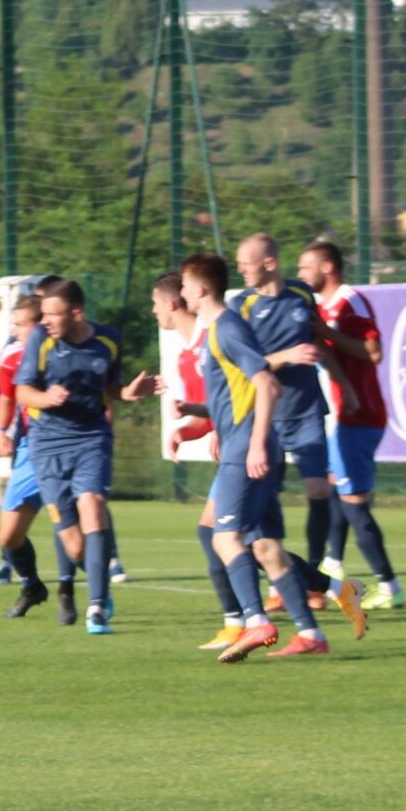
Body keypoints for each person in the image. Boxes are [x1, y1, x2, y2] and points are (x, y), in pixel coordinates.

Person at [180, 252, 329, 661]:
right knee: (266, 547)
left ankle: (255, 621)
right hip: (248, 444)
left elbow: (267, 384)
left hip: (246, 449)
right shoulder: (219, 329)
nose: (181, 293)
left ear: (201, 288)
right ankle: (310, 633)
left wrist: (258, 443)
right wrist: (192, 412)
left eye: (185, 286)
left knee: (224, 538)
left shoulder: (226, 328)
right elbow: (238, 394)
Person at [234, 233, 367, 641]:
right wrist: (286, 357)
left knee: (318, 490)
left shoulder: (301, 295)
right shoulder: (241, 306)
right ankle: (284, 580)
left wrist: (345, 385)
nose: (241, 270)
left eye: (246, 263)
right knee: (263, 509)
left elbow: (320, 345)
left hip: (306, 409)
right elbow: (244, 365)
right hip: (266, 416)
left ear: (269, 263)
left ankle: (314, 575)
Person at [12, 278, 125, 635]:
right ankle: (100, 584)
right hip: (47, 447)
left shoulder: (108, 340)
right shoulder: (41, 340)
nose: (45, 321)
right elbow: (23, 392)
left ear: (76, 313)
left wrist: (130, 392)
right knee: (74, 546)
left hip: (91, 438)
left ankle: (96, 608)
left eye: (52, 314)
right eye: (43, 314)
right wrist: (47, 398)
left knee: (93, 503)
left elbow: (112, 387)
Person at [299, 240, 404, 611]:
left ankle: (389, 586)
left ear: (327, 267)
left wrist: (327, 334)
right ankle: (333, 564)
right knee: (336, 492)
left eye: (305, 267)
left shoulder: (350, 301)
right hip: (342, 417)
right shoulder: (324, 307)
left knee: (355, 504)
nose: (300, 274)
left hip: (359, 416)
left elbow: (374, 352)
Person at [146, 271, 247, 650]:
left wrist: (224, 427)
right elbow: (208, 415)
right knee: (254, 544)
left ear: (172, 303)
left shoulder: (214, 337)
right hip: (233, 453)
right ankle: (332, 589)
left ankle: (239, 621)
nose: (153, 311)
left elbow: (245, 390)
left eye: (155, 303)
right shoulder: (187, 356)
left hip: (247, 448)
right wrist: (183, 431)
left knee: (216, 535)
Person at [0, 289, 82, 623]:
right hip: (30, 449)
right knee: (8, 535)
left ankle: (68, 592)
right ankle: (32, 586)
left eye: (21, 324)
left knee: (67, 527)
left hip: (67, 445)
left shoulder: (66, 352)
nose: (14, 330)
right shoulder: (12, 356)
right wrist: (0, 431)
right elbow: (5, 396)